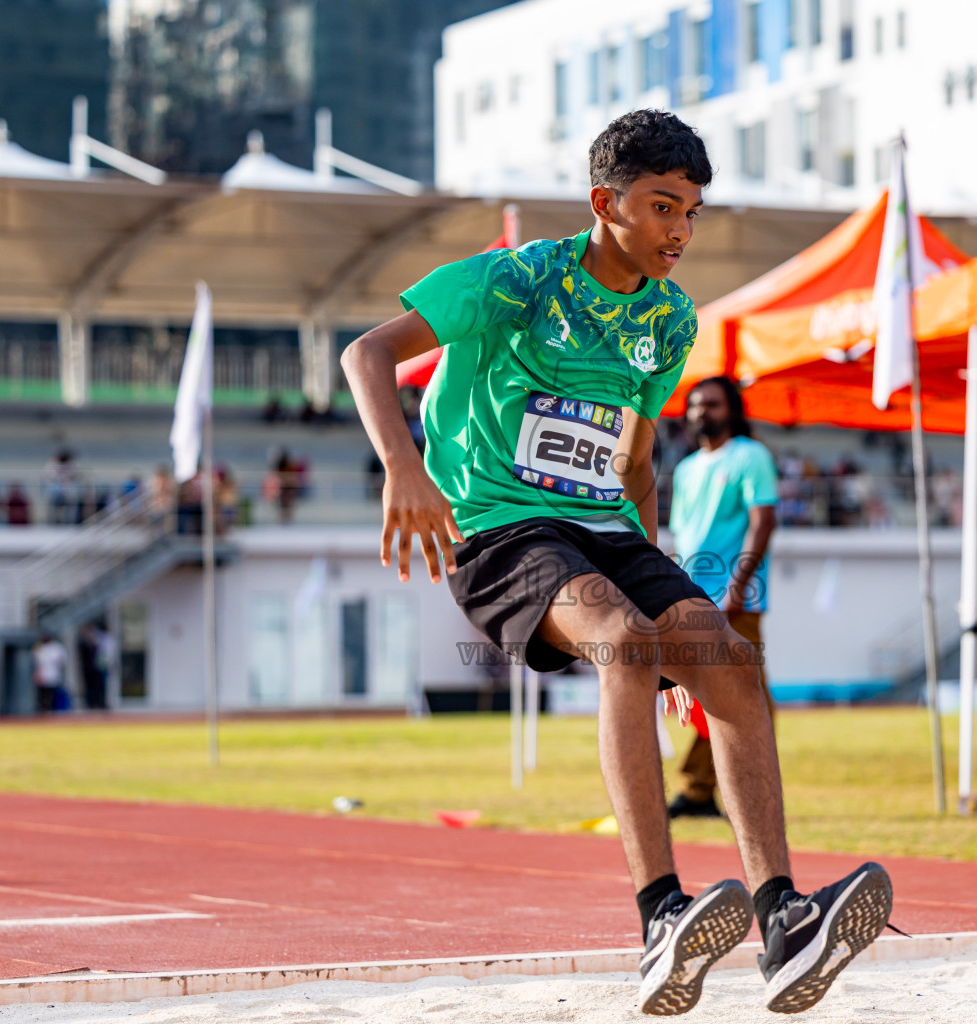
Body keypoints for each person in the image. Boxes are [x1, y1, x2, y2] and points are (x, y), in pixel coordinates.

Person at [339, 110, 890, 1017]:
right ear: (607, 202)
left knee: (730, 665)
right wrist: (404, 467)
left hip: (609, 527)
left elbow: (633, 461)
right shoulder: (515, 282)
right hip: (500, 526)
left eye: (694, 212)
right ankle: (660, 917)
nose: (680, 229)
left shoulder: (668, 320)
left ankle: (784, 920)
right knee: (625, 646)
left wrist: (676, 597)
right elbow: (368, 353)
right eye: (663, 206)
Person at [667, 376, 778, 820]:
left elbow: (763, 522)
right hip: (691, 597)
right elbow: (682, 537)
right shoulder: (686, 467)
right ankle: (699, 790)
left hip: (736, 599)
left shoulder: (751, 456)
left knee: (748, 698)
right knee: (705, 697)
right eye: (694, 404)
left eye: (711, 404)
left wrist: (736, 585)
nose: (700, 412)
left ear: (731, 408)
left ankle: (715, 791)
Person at [32, 633, 68, 713]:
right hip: (44, 676)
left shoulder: (56, 647)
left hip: (54, 674)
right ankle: (46, 710)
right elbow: (37, 663)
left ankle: (54, 710)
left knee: (54, 694)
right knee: (44, 696)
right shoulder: (40, 648)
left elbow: (62, 661)